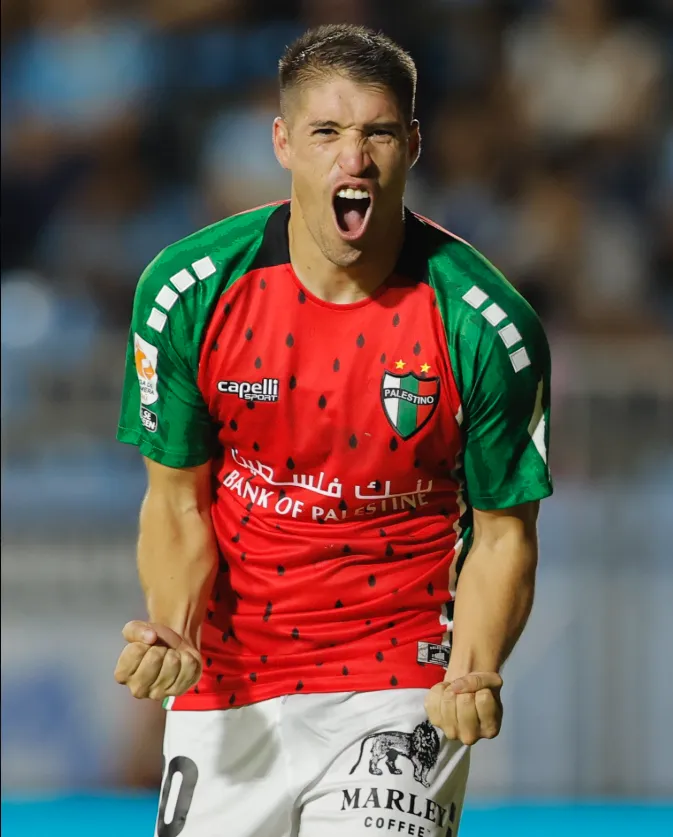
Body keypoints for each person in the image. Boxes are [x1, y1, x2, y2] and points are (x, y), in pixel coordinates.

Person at [115, 23, 553, 837]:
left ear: (412, 145)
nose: (352, 158)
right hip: (232, 678)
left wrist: (474, 669)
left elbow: (502, 534)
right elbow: (177, 502)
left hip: (399, 677)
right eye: (326, 132)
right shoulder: (188, 291)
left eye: (377, 133)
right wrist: (173, 624)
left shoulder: (486, 323)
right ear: (281, 142)